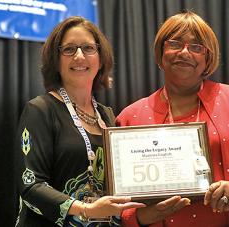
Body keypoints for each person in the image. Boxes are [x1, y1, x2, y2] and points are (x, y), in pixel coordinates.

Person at [116, 11, 229, 226]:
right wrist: (144, 216)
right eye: (175, 43)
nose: (184, 52)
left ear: (208, 59)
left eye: (196, 47)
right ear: (160, 53)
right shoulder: (130, 116)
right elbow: (119, 210)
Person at [15, 16, 145, 227]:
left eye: (88, 48)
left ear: (101, 58)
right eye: (69, 49)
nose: (79, 56)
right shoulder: (40, 110)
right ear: (56, 60)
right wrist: (85, 209)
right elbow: (30, 185)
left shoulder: (107, 117)